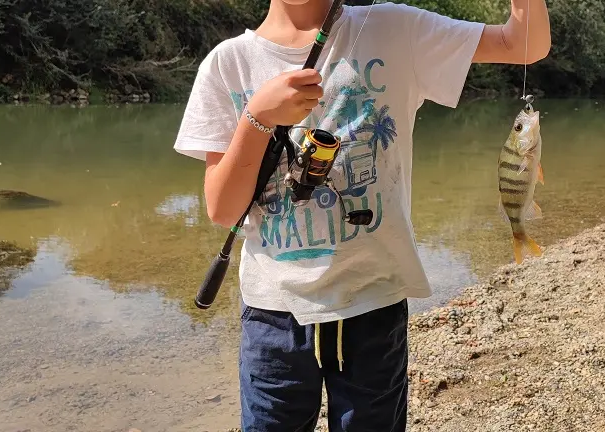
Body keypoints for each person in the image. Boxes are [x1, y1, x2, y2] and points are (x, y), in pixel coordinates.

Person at [173, 0, 550, 430]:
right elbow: (222, 210)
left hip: (373, 303)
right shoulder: (228, 64)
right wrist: (256, 117)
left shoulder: (395, 28)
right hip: (274, 316)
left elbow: (522, 44)